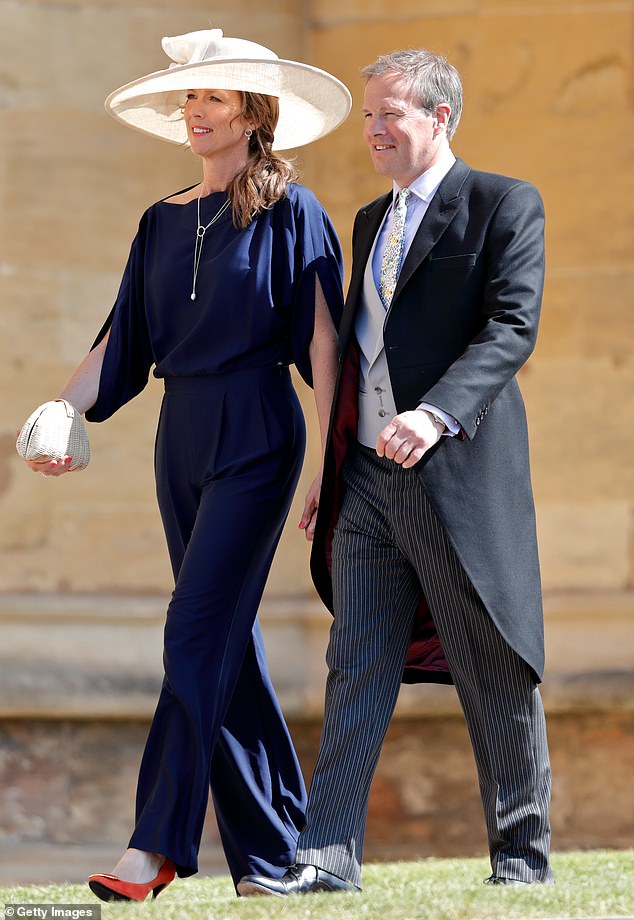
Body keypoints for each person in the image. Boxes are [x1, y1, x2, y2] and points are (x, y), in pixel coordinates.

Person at [18, 28, 351, 902]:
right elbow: (121, 338)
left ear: (253, 113)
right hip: (182, 434)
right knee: (223, 645)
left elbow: (323, 344)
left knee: (192, 631)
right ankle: (280, 857)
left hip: (258, 432)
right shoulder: (158, 221)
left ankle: (154, 844)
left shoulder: (296, 211)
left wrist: (333, 459)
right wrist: (62, 410)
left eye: (215, 97)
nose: (196, 111)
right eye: (190, 97)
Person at [238, 47, 553, 897]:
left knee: (493, 665)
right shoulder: (370, 219)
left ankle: (521, 862)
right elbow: (357, 344)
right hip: (369, 484)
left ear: (440, 115)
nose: (373, 130)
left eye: (391, 115)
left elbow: (510, 330)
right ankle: (325, 858)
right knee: (357, 663)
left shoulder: (502, 204)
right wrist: (330, 469)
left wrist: (436, 412)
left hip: (453, 475)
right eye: (369, 116)